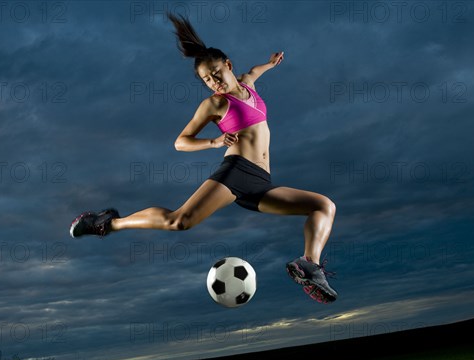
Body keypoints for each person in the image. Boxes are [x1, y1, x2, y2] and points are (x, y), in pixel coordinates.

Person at [69, 13, 338, 303]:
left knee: (323, 206)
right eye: (207, 80)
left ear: (228, 65)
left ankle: (309, 264)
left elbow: (254, 71)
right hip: (236, 171)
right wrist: (215, 141)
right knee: (179, 222)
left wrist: (270, 64)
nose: (214, 82)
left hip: (262, 182)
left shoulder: (248, 85)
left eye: (216, 74)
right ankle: (108, 222)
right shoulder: (215, 103)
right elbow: (180, 142)